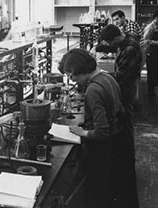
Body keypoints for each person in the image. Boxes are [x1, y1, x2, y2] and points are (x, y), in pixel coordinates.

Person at [59, 49, 138, 208]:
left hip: (104, 148)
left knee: (98, 192)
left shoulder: (93, 90)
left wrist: (83, 132)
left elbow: (102, 132)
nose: (72, 80)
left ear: (80, 70)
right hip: (119, 141)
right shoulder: (107, 77)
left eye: (72, 76)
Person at [100, 24, 143, 118]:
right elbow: (116, 47)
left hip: (127, 84)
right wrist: (100, 48)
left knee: (124, 112)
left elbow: (122, 75)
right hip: (126, 79)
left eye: (109, 42)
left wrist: (102, 78)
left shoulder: (130, 49)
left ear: (115, 38)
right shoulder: (127, 36)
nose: (108, 44)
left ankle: (125, 131)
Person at [142, 10, 158, 96]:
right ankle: (150, 92)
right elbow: (145, 41)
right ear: (156, 17)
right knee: (152, 72)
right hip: (152, 53)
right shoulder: (150, 27)